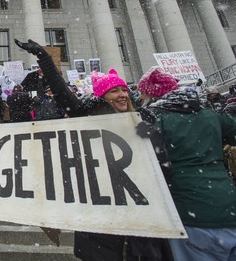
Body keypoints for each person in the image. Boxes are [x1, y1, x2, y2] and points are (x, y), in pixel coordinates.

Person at [15, 38, 170, 261]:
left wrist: (155, 142)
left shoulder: (143, 120)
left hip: (140, 213)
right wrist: (44, 57)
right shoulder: (87, 115)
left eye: (124, 90)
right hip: (100, 210)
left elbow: (164, 171)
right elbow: (61, 92)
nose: (122, 95)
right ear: (102, 96)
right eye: (114, 91)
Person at [136, 67, 236, 260]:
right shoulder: (208, 114)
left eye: (142, 92)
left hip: (190, 211)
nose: (140, 97)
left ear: (152, 94)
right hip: (227, 205)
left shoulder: (153, 120)